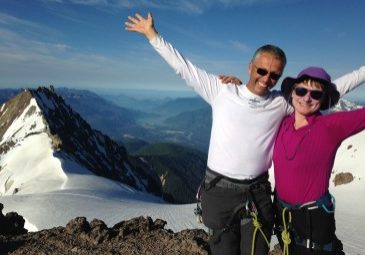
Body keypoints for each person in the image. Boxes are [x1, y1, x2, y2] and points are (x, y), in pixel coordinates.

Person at [124, 12, 365, 255]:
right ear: (251, 67)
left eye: (274, 75)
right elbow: (183, 68)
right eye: (262, 70)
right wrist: (152, 35)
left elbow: (329, 90)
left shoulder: (283, 102)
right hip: (219, 190)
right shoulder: (222, 91)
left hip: (257, 192)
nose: (266, 79)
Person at [272, 67, 365, 255]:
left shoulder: (330, 126)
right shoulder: (281, 122)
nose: (306, 98)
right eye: (301, 91)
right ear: (292, 92)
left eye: (315, 94)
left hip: (314, 219)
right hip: (283, 215)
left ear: (323, 100)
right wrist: (237, 86)